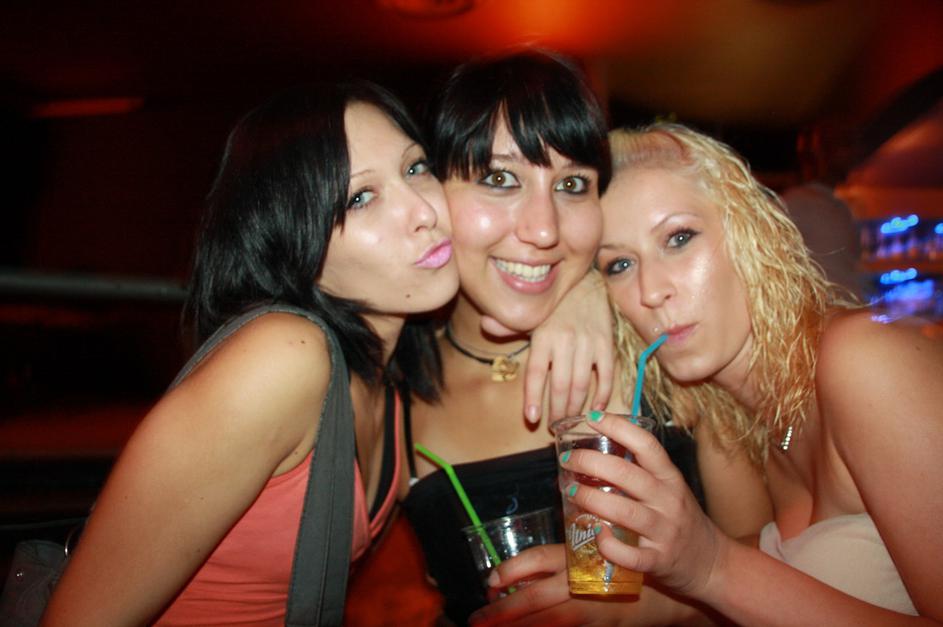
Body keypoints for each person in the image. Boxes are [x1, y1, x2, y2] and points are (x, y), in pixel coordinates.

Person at [484, 122, 943, 625]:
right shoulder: (734, 412)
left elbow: (725, 570)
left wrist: (712, 567)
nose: (651, 291)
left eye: (679, 238)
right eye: (619, 266)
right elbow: (773, 584)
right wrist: (637, 596)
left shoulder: (865, 359)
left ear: (751, 232)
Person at [42, 80, 459, 626]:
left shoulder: (394, 368)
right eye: (360, 198)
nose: (424, 210)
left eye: (416, 167)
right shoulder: (283, 357)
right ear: (294, 242)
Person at [400, 53, 769, 626]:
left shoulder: (662, 343)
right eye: (499, 179)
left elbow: (766, 551)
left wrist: (641, 607)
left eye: (572, 185)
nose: (543, 229)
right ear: (430, 191)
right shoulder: (385, 398)